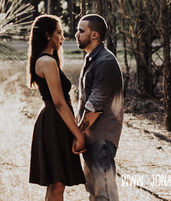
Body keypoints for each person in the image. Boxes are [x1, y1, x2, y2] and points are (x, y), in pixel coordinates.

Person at [27, 14, 86, 199]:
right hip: (54, 123)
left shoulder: (47, 60)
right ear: (47, 35)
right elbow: (59, 103)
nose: (63, 37)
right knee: (58, 183)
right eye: (59, 32)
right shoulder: (47, 62)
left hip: (55, 122)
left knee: (55, 184)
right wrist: (78, 135)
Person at [74, 13, 124, 201]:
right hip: (91, 137)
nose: (76, 34)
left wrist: (78, 133)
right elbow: (85, 101)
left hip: (101, 139)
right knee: (94, 192)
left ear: (94, 35)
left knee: (105, 194)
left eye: (81, 31)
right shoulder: (91, 58)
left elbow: (95, 106)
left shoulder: (105, 62)